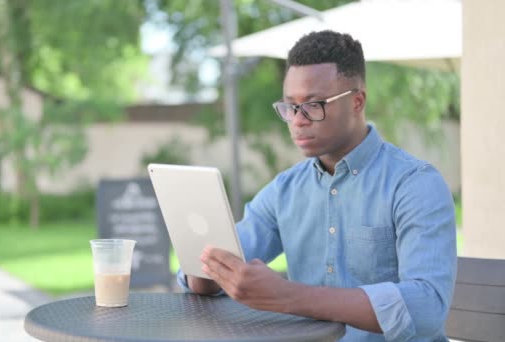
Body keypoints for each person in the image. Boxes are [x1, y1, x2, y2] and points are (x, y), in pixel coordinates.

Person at [177, 30, 457, 342]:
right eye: (290, 106)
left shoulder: (415, 185)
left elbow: (427, 309)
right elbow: (221, 265)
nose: (298, 120)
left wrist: (288, 296)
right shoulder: (285, 190)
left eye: (314, 105)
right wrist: (207, 272)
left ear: (357, 101)